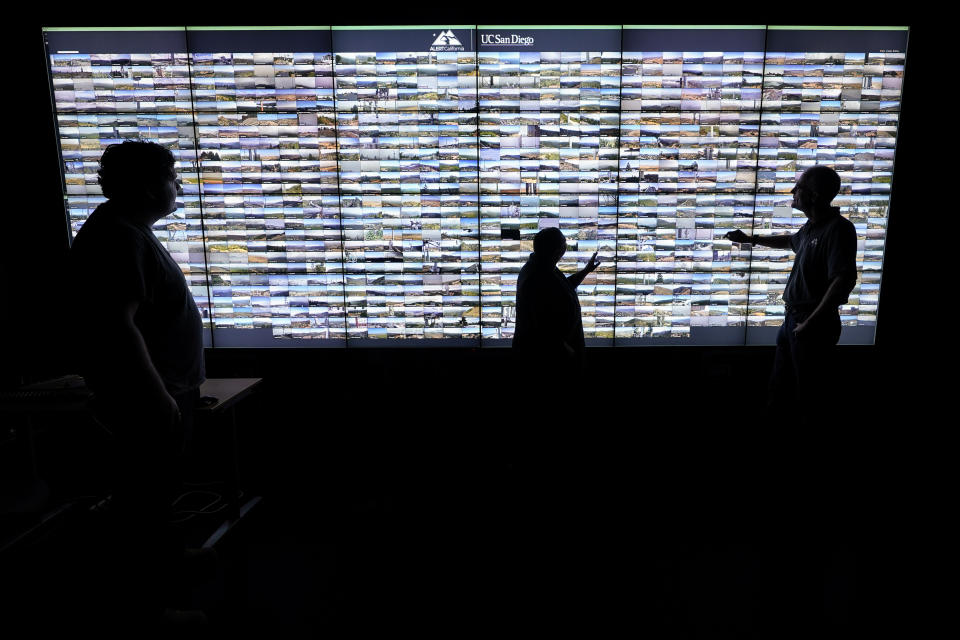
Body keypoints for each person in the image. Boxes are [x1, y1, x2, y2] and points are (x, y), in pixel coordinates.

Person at [68, 140, 210, 629]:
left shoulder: (126, 229)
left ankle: (166, 564)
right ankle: (146, 613)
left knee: (154, 493)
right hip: (150, 397)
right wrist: (156, 394)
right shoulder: (119, 238)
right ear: (150, 187)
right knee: (141, 501)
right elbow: (116, 325)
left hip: (163, 389)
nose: (179, 187)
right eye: (173, 178)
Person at [726, 165, 857, 424]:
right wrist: (751, 239)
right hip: (793, 321)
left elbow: (843, 280)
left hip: (811, 325)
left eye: (799, 187)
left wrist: (811, 322)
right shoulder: (811, 227)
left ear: (815, 195)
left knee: (808, 394)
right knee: (780, 385)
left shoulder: (838, 229)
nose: (793, 191)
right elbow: (789, 241)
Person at [512, 227, 600, 372]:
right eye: (563, 243)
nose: (566, 246)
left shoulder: (543, 266)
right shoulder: (536, 277)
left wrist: (585, 271)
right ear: (556, 250)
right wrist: (565, 349)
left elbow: (564, 287)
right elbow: (542, 327)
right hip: (549, 360)